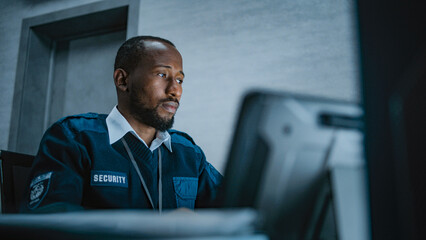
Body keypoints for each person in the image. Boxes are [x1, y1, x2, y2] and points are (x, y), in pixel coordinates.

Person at [20, 36, 223, 213]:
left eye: (180, 80)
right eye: (162, 75)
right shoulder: (73, 138)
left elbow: (234, 207)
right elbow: (48, 222)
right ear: (122, 80)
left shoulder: (188, 152)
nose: (175, 91)